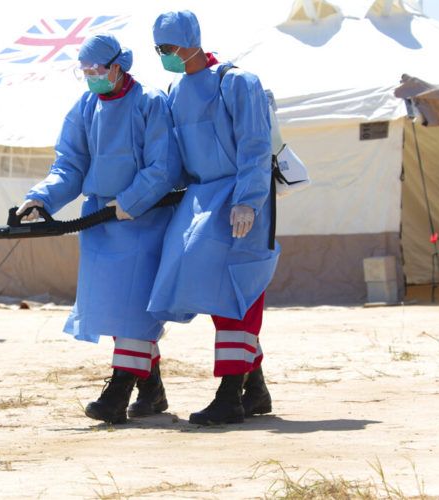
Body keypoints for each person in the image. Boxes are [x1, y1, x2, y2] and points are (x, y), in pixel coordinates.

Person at [16, 34, 181, 424]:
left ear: (118, 66)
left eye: (97, 69)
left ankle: (117, 392)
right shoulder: (85, 107)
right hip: (100, 222)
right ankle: (152, 390)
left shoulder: (150, 103)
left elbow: (164, 165)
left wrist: (131, 201)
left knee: (134, 308)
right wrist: (41, 198)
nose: (91, 76)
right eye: (84, 71)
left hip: (144, 218)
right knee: (115, 310)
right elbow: (69, 165)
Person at [147, 10, 279, 425]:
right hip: (201, 201)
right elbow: (175, 157)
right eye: (159, 49)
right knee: (208, 288)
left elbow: (256, 145)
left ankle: (230, 395)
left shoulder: (237, 82)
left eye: (169, 47)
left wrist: (249, 200)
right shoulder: (175, 90)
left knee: (240, 290)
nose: (164, 55)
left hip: (241, 196)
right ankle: (253, 387)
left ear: (191, 40)